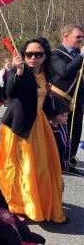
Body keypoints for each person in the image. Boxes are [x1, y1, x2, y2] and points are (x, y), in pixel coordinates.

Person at [0, 37, 66, 223]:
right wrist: (17, 70)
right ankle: (14, 205)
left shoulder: (45, 74)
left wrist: (53, 115)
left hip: (39, 124)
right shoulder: (19, 71)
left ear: (45, 56)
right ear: (23, 55)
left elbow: (43, 100)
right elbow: (11, 93)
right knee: (17, 167)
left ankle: (35, 201)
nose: (33, 57)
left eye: (38, 54)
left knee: (39, 167)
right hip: (18, 126)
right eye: (29, 54)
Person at [49, 24, 84, 175]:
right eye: (78, 37)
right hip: (59, 100)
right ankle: (56, 161)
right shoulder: (55, 54)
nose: (81, 40)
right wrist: (82, 56)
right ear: (65, 37)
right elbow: (64, 71)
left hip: (77, 101)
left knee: (75, 131)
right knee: (59, 132)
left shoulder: (78, 54)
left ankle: (69, 161)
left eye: (82, 37)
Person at [45, 94, 72, 172]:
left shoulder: (63, 126)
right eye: (63, 116)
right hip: (53, 166)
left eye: (67, 115)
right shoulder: (49, 131)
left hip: (63, 163)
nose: (66, 118)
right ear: (53, 115)